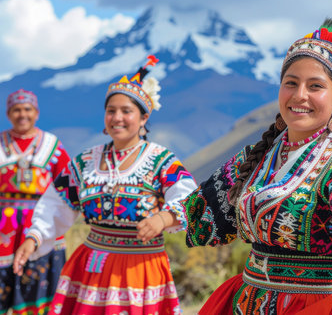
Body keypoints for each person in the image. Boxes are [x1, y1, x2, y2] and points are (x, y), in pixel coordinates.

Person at [182, 10, 332, 314]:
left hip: (315, 305)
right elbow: (201, 213)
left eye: (315, 86)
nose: (299, 95)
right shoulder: (256, 156)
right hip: (247, 301)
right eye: (290, 83)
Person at [13, 57, 198, 314]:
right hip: (91, 267)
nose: (117, 118)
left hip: (140, 270)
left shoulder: (161, 161)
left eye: (126, 111)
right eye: (111, 110)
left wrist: (165, 218)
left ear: (144, 118)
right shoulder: (86, 162)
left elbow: (190, 197)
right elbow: (56, 203)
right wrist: (34, 238)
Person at [0, 89, 70, 314]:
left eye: (27, 109)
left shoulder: (52, 145)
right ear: (9, 113)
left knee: (39, 290)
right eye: (16, 110)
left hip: (42, 223)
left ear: (36, 113)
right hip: (4, 229)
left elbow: (68, 184)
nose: (22, 115)